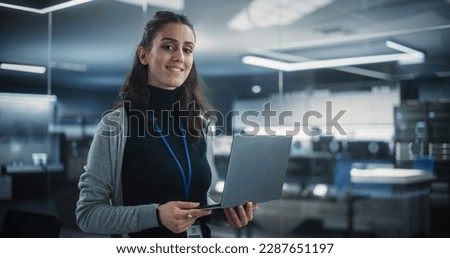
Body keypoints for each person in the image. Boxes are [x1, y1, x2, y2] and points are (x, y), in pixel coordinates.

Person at [75, 10, 257, 238]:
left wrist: (222, 214)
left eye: (187, 49)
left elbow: (199, 202)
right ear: (144, 54)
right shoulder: (116, 126)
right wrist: (157, 215)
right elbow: (88, 214)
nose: (180, 57)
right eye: (168, 46)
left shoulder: (199, 124)